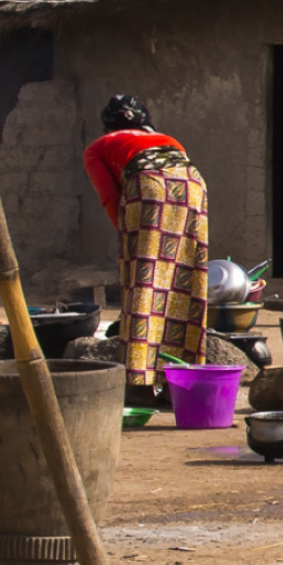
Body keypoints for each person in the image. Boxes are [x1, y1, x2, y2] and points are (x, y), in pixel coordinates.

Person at [81, 94, 208, 389]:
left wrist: (128, 237)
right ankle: (182, 374)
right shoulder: (169, 140)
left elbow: (109, 196)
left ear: (107, 127)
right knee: (183, 277)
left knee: (144, 279)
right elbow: (179, 175)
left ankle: (138, 380)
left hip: (148, 184)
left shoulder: (99, 147)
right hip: (194, 185)